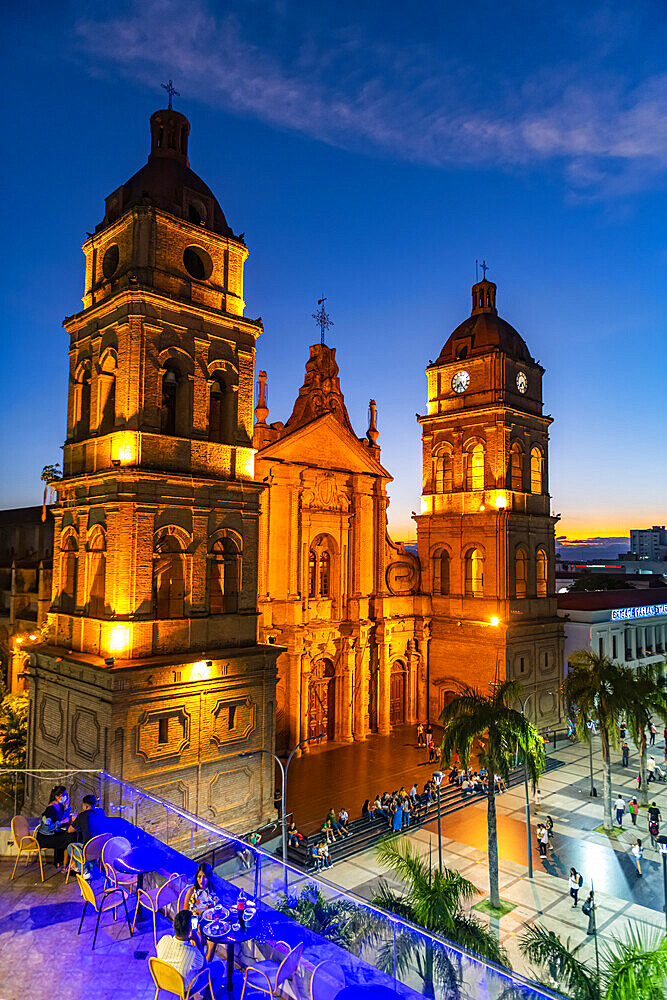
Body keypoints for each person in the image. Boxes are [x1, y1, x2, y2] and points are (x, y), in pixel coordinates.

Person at [157, 910, 222, 994]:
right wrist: (201, 942)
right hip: (186, 988)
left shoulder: (164, 940)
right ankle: (208, 996)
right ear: (190, 929)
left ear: (173, 926)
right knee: (219, 966)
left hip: (166, 981)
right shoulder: (192, 953)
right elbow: (203, 966)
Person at [65, 794, 107, 878]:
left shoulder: (82, 815)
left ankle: (84, 871)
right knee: (90, 844)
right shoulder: (101, 812)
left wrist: (78, 823)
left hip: (89, 850)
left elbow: (70, 830)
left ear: (85, 806)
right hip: (101, 849)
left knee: (70, 847)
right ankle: (90, 868)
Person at [184, 863, 219, 961]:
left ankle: (205, 968)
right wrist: (190, 929)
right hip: (194, 926)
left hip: (209, 926)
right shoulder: (192, 892)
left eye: (205, 877)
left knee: (212, 942)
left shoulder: (213, 893)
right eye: (199, 877)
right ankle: (200, 967)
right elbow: (185, 912)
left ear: (209, 878)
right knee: (197, 940)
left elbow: (217, 913)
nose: (201, 880)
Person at [35, 785, 76, 870]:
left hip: (52, 833)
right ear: (57, 796)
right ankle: (67, 865)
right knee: (69, 837)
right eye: (64, 795)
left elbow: (66, 816)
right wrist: (62, 822)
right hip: (45, 837)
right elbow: (49, 827)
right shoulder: (50, 809)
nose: (65, 796)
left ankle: (63, 863)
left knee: (71, 834)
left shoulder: (60, 806)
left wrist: (67, 805)